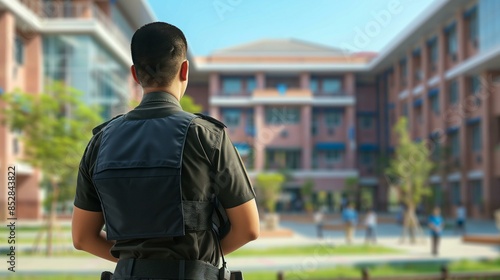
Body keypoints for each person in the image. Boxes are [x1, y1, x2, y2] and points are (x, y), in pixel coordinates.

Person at [71, 22, 260, 280]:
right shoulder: (208, 136)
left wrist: (136, 260)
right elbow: (248, 228)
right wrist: (198, 262)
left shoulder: (100, 142)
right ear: (185, 70)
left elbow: (82, 237)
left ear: (135, 74)